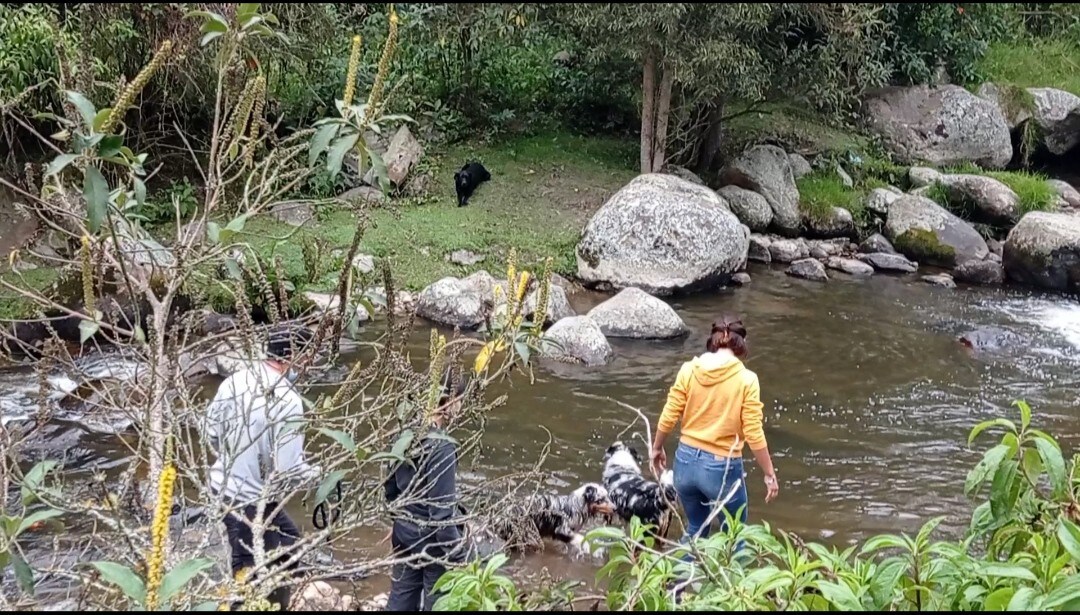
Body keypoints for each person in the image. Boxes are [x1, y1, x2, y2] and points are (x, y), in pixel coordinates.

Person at [203, 324, 322, 611]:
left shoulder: (234, 381)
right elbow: (288, 470)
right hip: (251, 500)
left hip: (222, 486)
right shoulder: (289, 401)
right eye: (307, 356)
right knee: (252, 572)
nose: (309, 364)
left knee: (290, 546)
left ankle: (282, 601)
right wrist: (321, 474)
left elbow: (211, 434)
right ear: (292, 355)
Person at [650, 315, 778, 545]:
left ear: (713, 341)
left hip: (685, 462)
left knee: (696, 527)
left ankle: (676, 579)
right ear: (741, 345)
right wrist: (769, 473)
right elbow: (753, 432)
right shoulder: (747, 379)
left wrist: (657, 448)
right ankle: (738, 581)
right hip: (721, 466)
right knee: (735, 533)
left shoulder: (689, 370)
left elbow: (669, 414)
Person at [384, 370, 468, 612]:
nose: (461, 407)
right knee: (437, 602)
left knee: (400, 599)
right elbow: (441, 517)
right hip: (431, 544)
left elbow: (390, 488)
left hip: (403, 532)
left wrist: (398, 521)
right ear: (449, 401)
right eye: (461, 400)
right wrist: (458, 558)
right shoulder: (441, 447)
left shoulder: (403, 432)